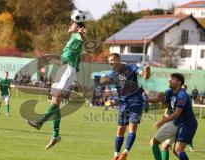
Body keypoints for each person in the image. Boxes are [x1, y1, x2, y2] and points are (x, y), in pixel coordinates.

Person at [27, 20, 86, 149]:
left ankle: (40, 122)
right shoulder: (71, 40)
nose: (69, 26)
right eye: (70, 24)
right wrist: (50, 57)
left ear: (78, 28)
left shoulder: (77, 37)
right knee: (55, 101)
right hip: (63, 69)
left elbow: (82, 38)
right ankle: (55, 135)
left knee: (56, 99)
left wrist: (81, 33)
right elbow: (63, 59)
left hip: (68, 70)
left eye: (72, 24)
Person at [100, 53, 150, 160]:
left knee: (133, 127)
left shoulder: (131, 67)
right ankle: (116, 155)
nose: (110, 62)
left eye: (112, 60)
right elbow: (102, 81)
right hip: (123, 102)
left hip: (135, 101)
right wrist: (104, 78)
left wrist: (147, 72)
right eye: (109, 61)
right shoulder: (112, 72)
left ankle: (125, 153)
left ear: (118, 59)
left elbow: (144, 75)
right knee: (120, 129)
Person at [153, 73, 198, 160]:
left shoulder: (182, 95)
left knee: (178, 149)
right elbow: (168, 106)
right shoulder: (170, 92)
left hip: (187, 124)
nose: (169, 80)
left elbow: (177, 113)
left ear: (179, 82)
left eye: (172, 79)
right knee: (168, 147)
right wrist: (159, 100)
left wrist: (162, 121)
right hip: (177, 123)